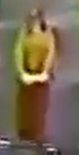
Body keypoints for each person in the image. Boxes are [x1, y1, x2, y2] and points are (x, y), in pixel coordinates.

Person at [14, 8, 57, 143]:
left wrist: (45, 72)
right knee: (25, 105)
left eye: (36, 23)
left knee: (39, 106)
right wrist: (22, 72)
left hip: (41, 75)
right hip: (27, 74)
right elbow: (18, 52)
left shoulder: (47, 35)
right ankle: (24, 132)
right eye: (32, 22)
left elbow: (51, 53)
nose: (33, 25)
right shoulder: (24, 34)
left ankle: (38, 133)